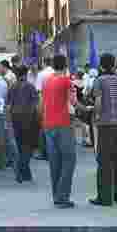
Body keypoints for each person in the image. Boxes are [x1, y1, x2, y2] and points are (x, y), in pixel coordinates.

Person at [87, 53, 117, 206]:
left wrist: (97, 116)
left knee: (104, 162)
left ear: (101, 65)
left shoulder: (100, 80)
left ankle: (105, 198)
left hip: (105, 125)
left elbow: (98, 101)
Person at [40, 53, 77, 208]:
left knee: (55, 161)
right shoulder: (67, 81)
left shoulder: (46, 81)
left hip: (48, 124)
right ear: (66, 65)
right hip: (63, 124)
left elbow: (42, 103)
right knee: (69, 160)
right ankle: (62, 197)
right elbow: (73, 102)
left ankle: (56, 195)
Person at [7, 66, 39, 184]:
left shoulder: (12, 87)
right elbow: (36, 104)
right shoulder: (30, 86)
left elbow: (8, 106)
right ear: (26, 74)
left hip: (16, 119)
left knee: (20, 146)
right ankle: (22, 171)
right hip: (29, 119)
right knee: (28, 147)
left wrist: (9, 120)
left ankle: (24, 172)